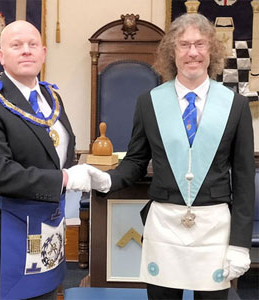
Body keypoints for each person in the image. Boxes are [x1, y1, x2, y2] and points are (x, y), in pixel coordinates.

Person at [83, 13, 255, 299]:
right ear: (171, 52)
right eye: (184, 45)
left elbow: (244, 179)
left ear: (211, 50)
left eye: (200, 44)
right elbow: (136, 162)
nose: (192, 53)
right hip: (164, 227)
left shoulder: (234, 106)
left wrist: (239, 244)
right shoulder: (150, 102)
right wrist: (104, 180)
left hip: (214, 229)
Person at [0, 20, 91, 299]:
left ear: (43, 53)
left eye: (33, 45)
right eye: (16, 45)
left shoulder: (52, 98)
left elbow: (59, 152)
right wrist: (64, 179)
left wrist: (73, 172)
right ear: (1, 56)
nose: (26, 51)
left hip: (46, 229)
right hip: (3, 235)